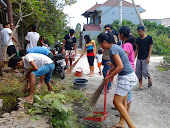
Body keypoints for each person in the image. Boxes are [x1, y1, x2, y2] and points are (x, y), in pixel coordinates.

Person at [97, 32, 137, 128]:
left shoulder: (113, 49)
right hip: (129, 76)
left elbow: (120, 66)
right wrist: (113, 68)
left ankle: (132, 126)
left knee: (116, 102)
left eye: (100, 43)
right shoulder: (115, 47)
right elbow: (119, 64)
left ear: (105, 42)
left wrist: (109, 77)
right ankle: (121, 123)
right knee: (123, 101)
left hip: (126, 78)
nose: (100, 46)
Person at [113, 26, 136, 127]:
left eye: (119, 33)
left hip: (127, 72)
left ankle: (128, 121)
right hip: (129, 70)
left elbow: (123, 59)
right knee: (124, 98)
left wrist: (114, 66)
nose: (118, 35)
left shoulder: (126, 45)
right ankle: (122, 121)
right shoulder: (129, 44)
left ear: (122, 35)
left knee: (122, 99)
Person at [135, 25, 153, 91]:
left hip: (145, 57)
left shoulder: (149, 38)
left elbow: (150, 47)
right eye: (138, 32)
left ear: (143, 31)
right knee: (138, 72)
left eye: (140, 31)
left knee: (145, 71)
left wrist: (148, 57)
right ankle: (140, 85)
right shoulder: (138, 40)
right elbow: (137, 49)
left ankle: (149, 78)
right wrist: (134, 57)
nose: (139, 33)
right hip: (139, 57)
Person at [102, 24, 116, 91]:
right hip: (105, 57)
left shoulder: (114, 37)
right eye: (106, 30)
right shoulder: (104, 37)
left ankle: (107, 87)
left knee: (106, 72)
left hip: (109, 58)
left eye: (108, 30)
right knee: (105, 72)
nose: (107, 31)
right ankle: (108, 85)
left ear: (111, 30)